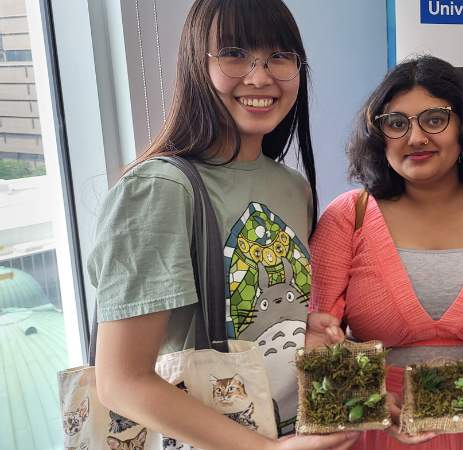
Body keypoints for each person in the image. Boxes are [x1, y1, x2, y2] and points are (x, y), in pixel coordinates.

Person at [89, 1, 357, 448]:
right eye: (234, 54)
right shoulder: (159, 189)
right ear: (197, 65)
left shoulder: (292, 187)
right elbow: (122, 381)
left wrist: (297, 328)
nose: (260, 77)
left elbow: (240, 319)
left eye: (279, 56)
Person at [307, 55, 463, 450]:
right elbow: (317, 340)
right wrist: (367, 400)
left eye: (434, 120)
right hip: (380, 433)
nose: (415, 138)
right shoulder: (348, 217)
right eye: (397, 123)